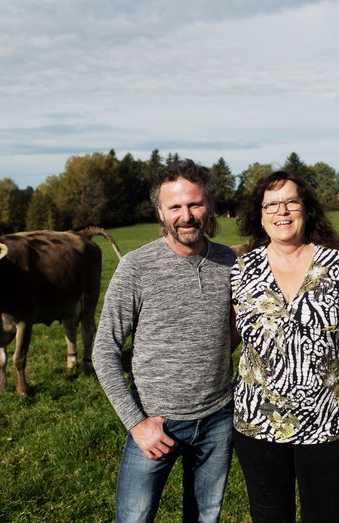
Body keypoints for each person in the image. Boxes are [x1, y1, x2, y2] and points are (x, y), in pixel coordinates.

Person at [92, 159, 236, 523]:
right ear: (160, 212)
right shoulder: (137, 267)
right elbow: (104, 351)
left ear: (210, 207)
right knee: (134, 518)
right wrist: (136, 423)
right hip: (156, 423)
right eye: (175, 207)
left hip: (218, 420)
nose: (186, 216)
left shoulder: (228, 261)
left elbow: (231, 330)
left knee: (206, 517)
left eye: (194, 204)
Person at [230, 170, 339, 523]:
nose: (282, 212)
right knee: (269, 516)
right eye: (271, 205)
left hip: (327, 421)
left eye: (290, 202)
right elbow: (229, 337)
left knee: (325, 514)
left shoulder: (338, 264)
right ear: (260, 215)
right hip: (257, 421)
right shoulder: (241, 270)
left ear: (306, 209)